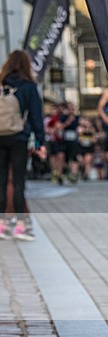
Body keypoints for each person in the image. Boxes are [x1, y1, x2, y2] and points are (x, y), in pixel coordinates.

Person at [0, 50, 46, 241]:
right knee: (19, 181)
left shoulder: (2, 83)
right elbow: (36, 116)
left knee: (1, 181)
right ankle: (20, 225)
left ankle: (2, 225)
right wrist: (40, 141)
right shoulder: (29, 86)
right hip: (19, 137)